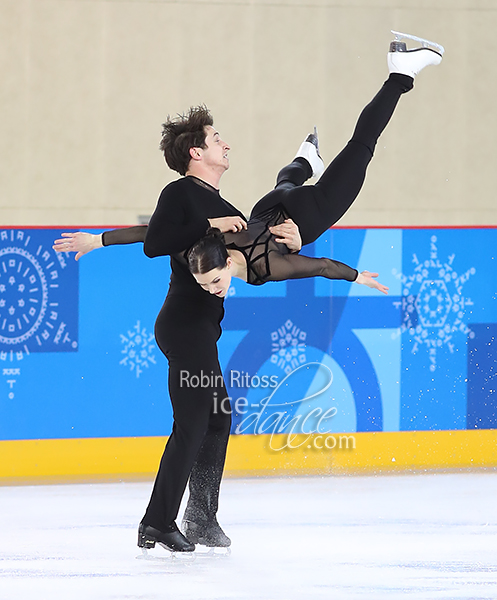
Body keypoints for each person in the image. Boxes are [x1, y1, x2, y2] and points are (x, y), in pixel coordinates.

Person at [53, 33, 443, 553]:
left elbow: (205, 239)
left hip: (197, 325)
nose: (226, 143)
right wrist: (103, 240)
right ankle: (158, 521)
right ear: (197, 152)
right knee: (194, 422)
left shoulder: (207, 199)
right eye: (217, 139)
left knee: (217, 419)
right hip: (185, 326)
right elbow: (158, 240)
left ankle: (201, 518)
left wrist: (238, 231)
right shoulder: (184, 193)